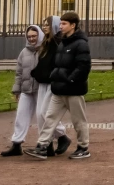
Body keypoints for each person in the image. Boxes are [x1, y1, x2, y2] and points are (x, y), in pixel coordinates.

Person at [26, 11, 90, 160]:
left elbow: (84, 67)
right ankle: (42, 146)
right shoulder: (62, 42)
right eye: (60, 23)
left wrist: (71, 80)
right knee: (49, 118)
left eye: (64, 23)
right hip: (59, 89)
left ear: (73, 25)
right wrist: (55, 76)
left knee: (78, 120)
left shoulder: (81, 44)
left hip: (73, 90)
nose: (60, 26)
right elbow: (56, 63)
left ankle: (83, 147)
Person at [0, 26, 44, 156]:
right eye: (29, 36)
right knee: (21, 115)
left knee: (43, 115)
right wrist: (17, 90)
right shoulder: (24, 52)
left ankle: (58, 137)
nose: (31, 39)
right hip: (26, 89)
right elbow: (19, 73)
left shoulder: (45, 50)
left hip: (40, 88)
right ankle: (16, 144)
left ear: (39, 36)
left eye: (34, 36)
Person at [31, 16, 69, 156]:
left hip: (52, 83)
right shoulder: (46, 43)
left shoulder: (58, 43)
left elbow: (57, 63)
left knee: (45, 113)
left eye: (47, 25)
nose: (44, 27)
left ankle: (60, 136)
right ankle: (49, 144)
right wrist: (36, 73)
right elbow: (43, 63)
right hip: (43, 82)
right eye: (43, 25)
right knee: (39, 114)